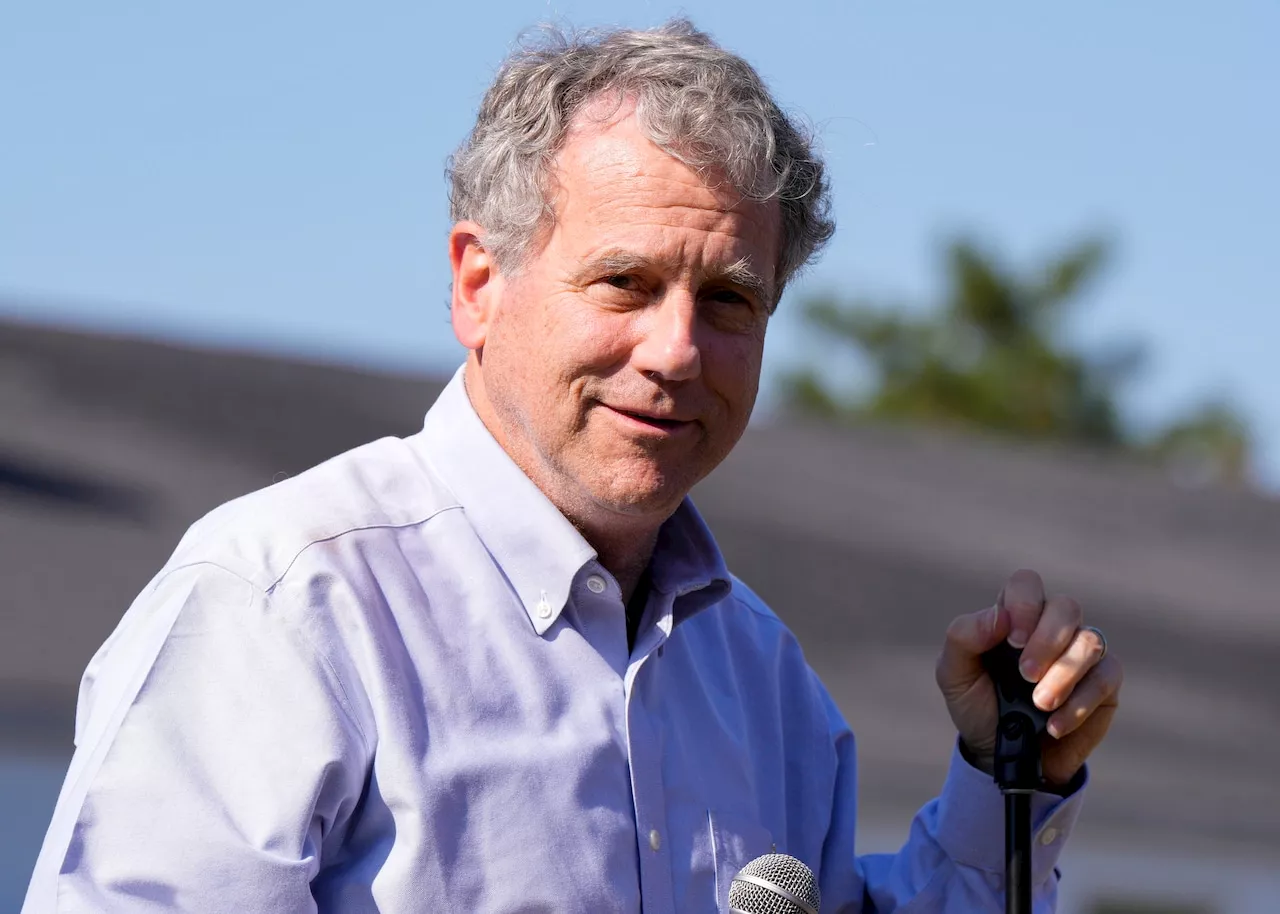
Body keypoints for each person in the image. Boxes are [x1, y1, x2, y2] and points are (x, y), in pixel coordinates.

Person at [24, 19, 1122, 913]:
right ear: (476, 282)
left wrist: (1006, 767)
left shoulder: (762, 679)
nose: (677, 349)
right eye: (624, 283)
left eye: (729, 299)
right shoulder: (285, 605)